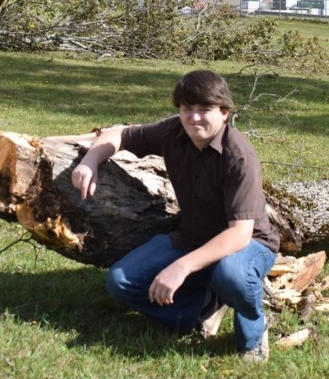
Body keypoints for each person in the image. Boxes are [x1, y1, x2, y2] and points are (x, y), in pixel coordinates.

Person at [71, 70, 280, 362]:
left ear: (224, 112)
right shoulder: (173, 131)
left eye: (204, 109)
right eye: (186, 109)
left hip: (248, 244)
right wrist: (89, 161)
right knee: (120, 282)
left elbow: (240, 233)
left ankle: (254, 333)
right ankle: (202, 310)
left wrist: (180, 267)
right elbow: (117, 133)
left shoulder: (238, 157)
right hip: (193, 235)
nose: (194, 118)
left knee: (230, 274)